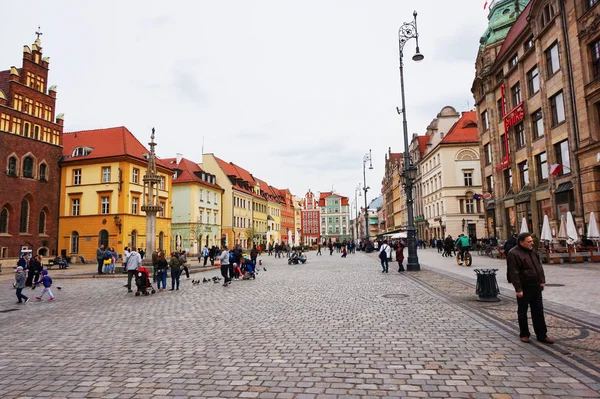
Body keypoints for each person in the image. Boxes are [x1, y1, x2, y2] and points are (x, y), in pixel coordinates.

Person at [507, 232, 553, 344]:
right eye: (529, 241)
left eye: (531, 241)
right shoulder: (513, 253)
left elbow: (539, 266)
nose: (532, 243)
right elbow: (514, 272)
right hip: (524, 286)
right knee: (522, 312)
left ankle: (542, 334)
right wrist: (518, 289)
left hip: (536, 285)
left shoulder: (533, 251)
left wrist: (542, 280)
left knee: (538, 311)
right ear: (521, 242)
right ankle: (524, 334)